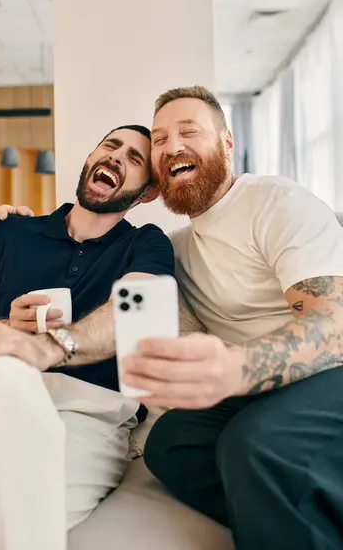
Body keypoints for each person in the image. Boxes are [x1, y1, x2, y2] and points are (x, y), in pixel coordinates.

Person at [119, 86, 343, 550]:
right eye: (158, 140)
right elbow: (91, 247)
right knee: (171, 446)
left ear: (226, 143)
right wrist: (12, 226)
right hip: (263, 393)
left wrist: (236, 368)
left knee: (255, 444)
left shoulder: (276, 202)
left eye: (188, 131)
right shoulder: (174, 247)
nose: (172, 145)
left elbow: (335, 324)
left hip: (329, 372)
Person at [0, 124, 175, 550]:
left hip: (87, 410)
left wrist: (45, 346)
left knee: (16, 510)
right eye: (110, 146)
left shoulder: (147, 244)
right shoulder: (11, 231)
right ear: (90, 159)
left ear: (147, 193)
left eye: (136, 158)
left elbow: (136, 313)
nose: (117, 157)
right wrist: (4, 333)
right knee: (0, 373)